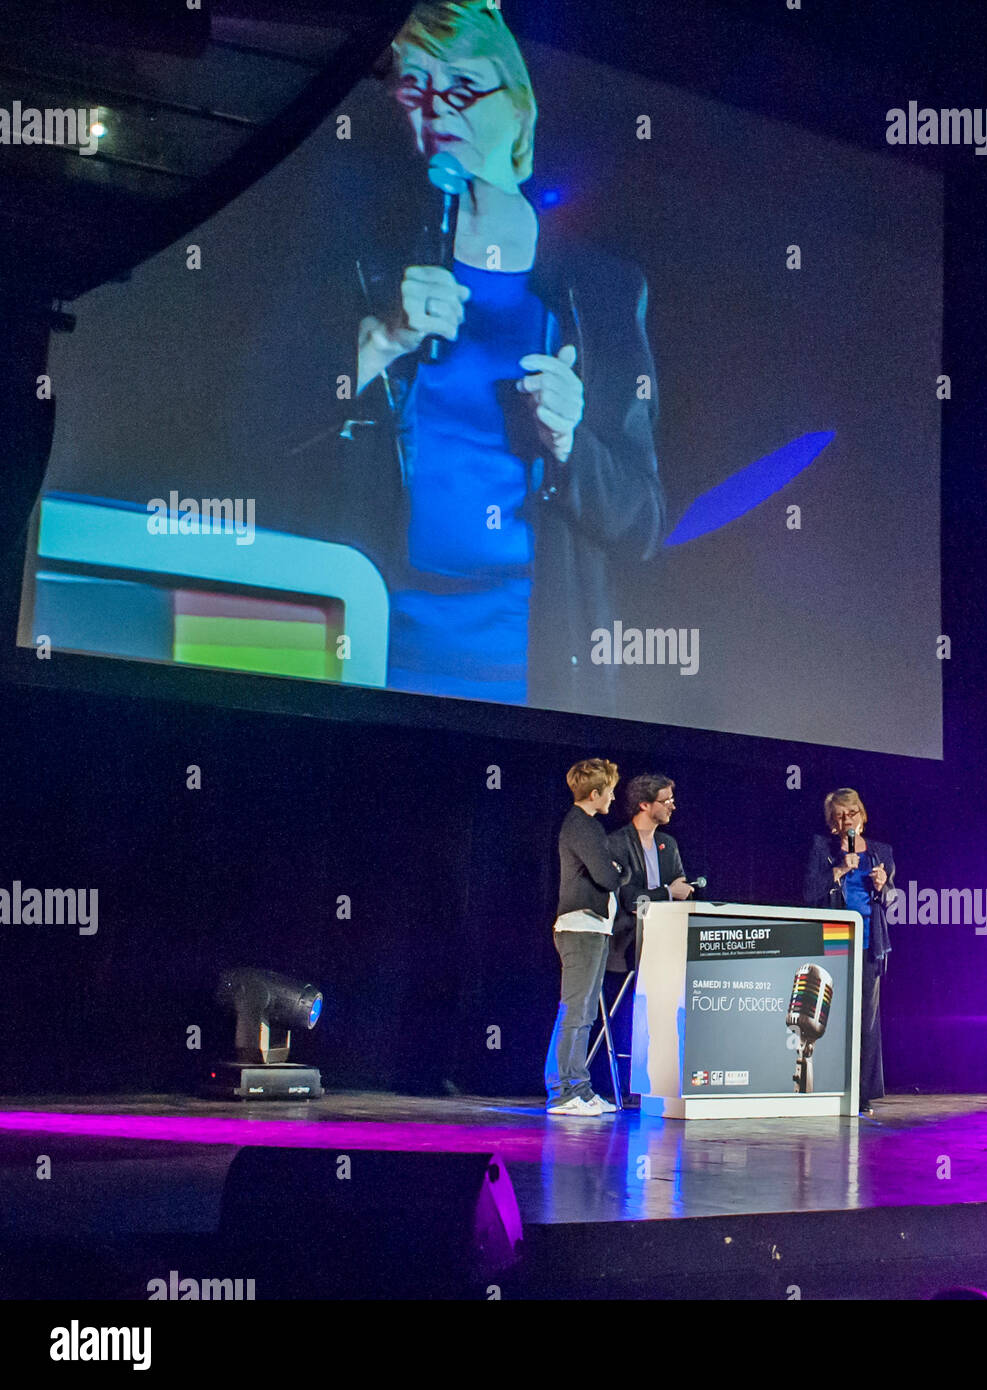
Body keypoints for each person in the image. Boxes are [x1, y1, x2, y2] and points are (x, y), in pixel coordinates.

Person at [336, 0, 664, 710]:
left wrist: (571, 440)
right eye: (415, 87)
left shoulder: (601, 289)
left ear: (519, 111)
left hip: (526, 676)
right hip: (363, 649)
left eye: (461, 86)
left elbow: (642, 519)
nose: (434, 108)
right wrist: (380, 341)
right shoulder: (367, 263)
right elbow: (263, 430)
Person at [544, 757, 630, 1116]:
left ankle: (578, 1086)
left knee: (584, 1014)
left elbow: (610, 874)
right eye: (609, 792)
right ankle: (563, 1092)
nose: (612, 798)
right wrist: (619, 871)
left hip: (593, 928)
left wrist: (615, 871)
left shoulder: (586, 825)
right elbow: (608, 878)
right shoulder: (584, 826)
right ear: (595, 794)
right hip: (580, 928)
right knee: (575, 1011)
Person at [803, 788, 896, 1115]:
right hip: (832, 942)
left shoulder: (882, 851)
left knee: (865, 1022)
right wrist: (840, 869)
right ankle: (826, 1086)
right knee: (829, 1016)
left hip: (870, 943)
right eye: (840, 815)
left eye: (852, 812)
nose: (848, 820)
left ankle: (862, 1093)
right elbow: (809, 893)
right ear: (832, 822)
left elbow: (892, 900)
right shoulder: (822, 849)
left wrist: (884, 887)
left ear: (863, 815)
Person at [603, 774, 694, 1100]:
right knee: (622, 1013)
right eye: (666, 800)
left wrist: (670, 892)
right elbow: (629, 898)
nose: (673, 806)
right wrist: (667, 892)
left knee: (664, 1012)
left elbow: (678, 887)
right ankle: (612, 1084)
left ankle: (657, 1081)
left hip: (665, 940)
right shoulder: (616, 842)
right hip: (626, 944)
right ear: (644, 804)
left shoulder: (668, 844)